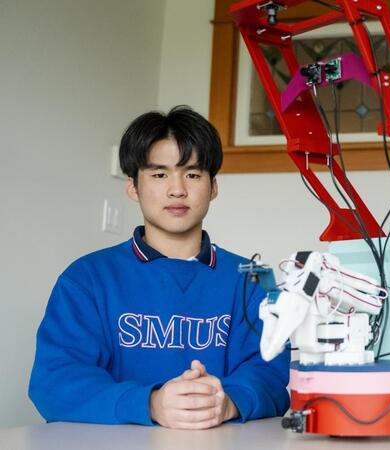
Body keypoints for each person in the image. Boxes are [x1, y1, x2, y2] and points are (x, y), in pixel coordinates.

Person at [29, 106, 289, 429]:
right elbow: (54, 382)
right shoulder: (86, 279)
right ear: (132, 187)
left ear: (214, 186)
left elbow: (272, 377)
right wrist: (150, 404)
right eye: (159, 174)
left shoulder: (253, 280)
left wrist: (227, 403)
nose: (177, 189)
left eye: (192, 174)